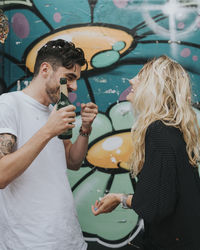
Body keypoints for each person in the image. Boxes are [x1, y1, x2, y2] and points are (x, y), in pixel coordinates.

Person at [91, 55, 200, 250]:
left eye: (141, 77)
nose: (131, 80)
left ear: (154, 87)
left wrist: (120, 199)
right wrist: (120, 198)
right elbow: (165, 196)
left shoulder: (158, 130)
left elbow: (155, 206)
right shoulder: (174, 129)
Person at [0, 39, 98, 250]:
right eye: (69, 77)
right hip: (29, 242)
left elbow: (72, 161)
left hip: (69, 239)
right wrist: (48, 130)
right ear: (45, 69)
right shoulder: (8, 104)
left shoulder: (55, 111)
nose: (73, 87)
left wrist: (85, 129)